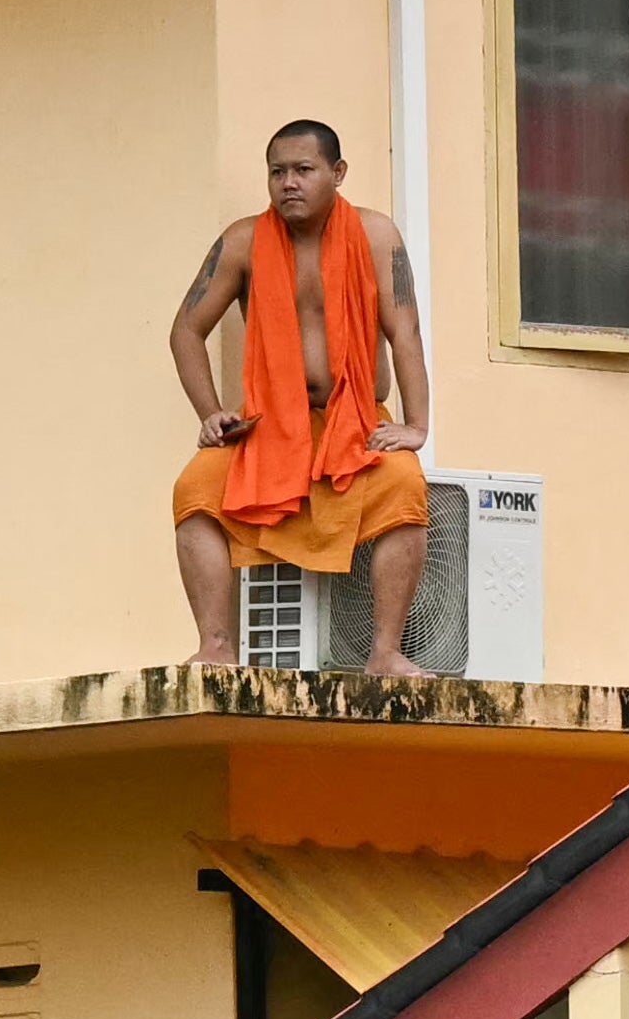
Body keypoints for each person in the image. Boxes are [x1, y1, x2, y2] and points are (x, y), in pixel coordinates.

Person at [168, 121, 435, 673]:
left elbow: (404, 331)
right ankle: (217, 646)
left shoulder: (375, 234)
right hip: (268, 427)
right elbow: (185, 330)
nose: (289, 183)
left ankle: (384, 652)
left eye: (303, 170)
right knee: (195, 489)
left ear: (337, 174)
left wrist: (416, 425)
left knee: (405, 484)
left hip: (354, 420)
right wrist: (210, 412)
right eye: (277, 172)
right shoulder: (243, 240)